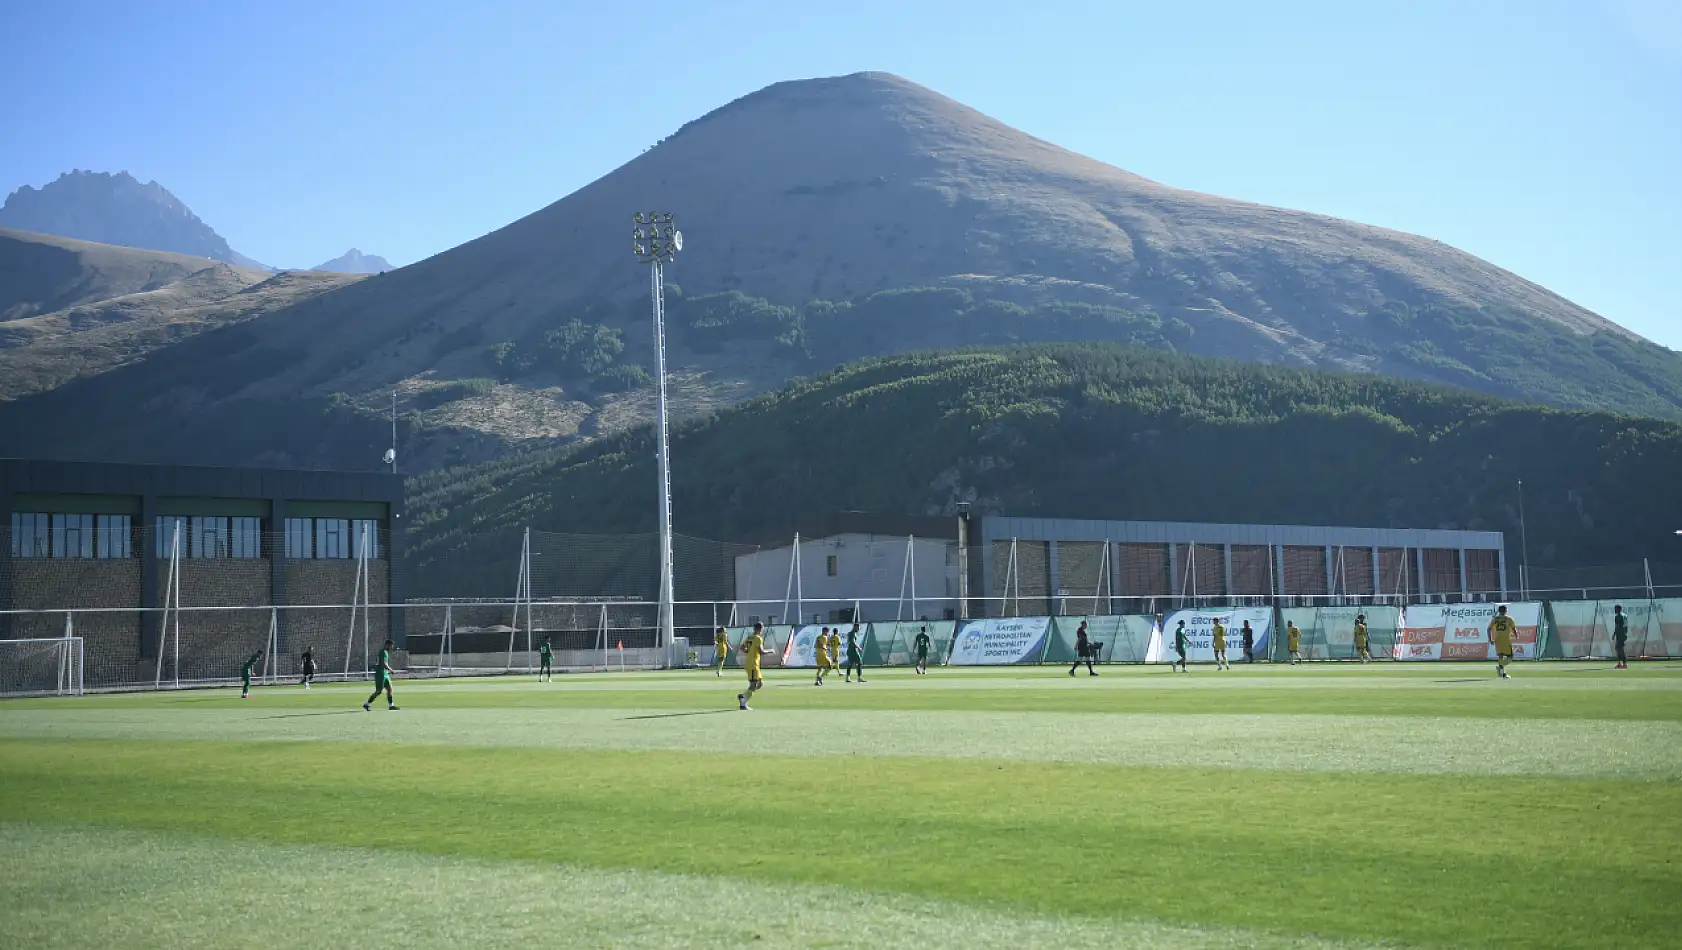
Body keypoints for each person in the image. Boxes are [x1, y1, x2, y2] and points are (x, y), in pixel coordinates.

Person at [737, 621, 772, 710]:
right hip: (753, 664)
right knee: (753, 685)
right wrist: (770, 651)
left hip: (750, 662)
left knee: (760, 684)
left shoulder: (750, 637)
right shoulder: (758, 638)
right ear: (760, 629)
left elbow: (741, 647)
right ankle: (743, 702)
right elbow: (761, 651)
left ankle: (744, 697)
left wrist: (748, 652)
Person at [364, 638, 400, 710]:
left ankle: (391, 705)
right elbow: (383, 664)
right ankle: (367, 704)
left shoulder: (385, 652)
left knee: (389, 689)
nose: (391, 647)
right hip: (380, 673)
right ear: (387, 645)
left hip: (385, 673)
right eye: (391, 646)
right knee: (379, 691)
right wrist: (391, 670)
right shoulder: (383, 652)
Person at [1488, 605, 1517, 680]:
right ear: (1506, 611)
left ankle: (1503, 674)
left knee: (1501, 656)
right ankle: (1501, 666)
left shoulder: (1495, 619)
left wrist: (1490, 639)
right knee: (1510, 657)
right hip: (1506, 640)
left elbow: (1488, 629)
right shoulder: (1509, 619)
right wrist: (1516, 635)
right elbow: (1514, 629)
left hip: (1498, 640)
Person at [1612, 605, 1629, 669]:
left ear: (1619, 609)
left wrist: (1614, 634)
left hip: (1620, 634)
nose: (1615, 610)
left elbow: (1617, 626)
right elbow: (1626, 626)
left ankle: (1624, 664)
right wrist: (1625, 633)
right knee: (1618, 648)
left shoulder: (1618, 616)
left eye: (1616, 609)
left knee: (1620, 649)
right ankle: (1619, 663)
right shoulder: (1624, 615)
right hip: (1622, 634)